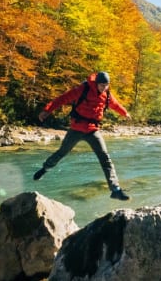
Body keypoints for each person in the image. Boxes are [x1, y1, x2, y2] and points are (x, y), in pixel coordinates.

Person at [35, 71, 132, 200]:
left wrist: (125, 113)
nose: (104, 88)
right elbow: (62, 99)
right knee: (62, 152)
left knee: (105, 158)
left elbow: (115, 105)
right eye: (102, 85)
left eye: (106, 85)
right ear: (96, 83)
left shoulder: (107, 94)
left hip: (93, 131)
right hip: (76, 129)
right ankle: (45, 168)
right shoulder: (83, 89)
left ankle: (115, 189)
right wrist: (47, 110)